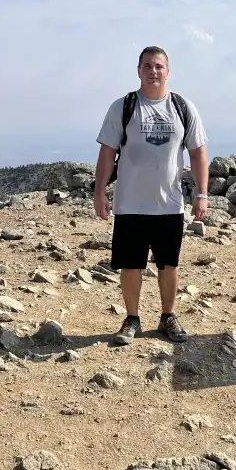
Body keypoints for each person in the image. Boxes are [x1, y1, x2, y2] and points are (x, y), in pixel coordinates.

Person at [93, 45, 209, 345]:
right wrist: (99, 191)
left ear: (167, 72)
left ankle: (168, 316)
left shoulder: (183, 108)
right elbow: (107, 152)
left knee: (168, 264)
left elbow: (197, 154)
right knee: (131, 265)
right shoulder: (124, 107)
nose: (153, 71)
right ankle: (131, 319)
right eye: (147, 66)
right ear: (139, 71)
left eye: (158, 66)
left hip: (168, 205)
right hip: (130, 203)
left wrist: (202, 193)